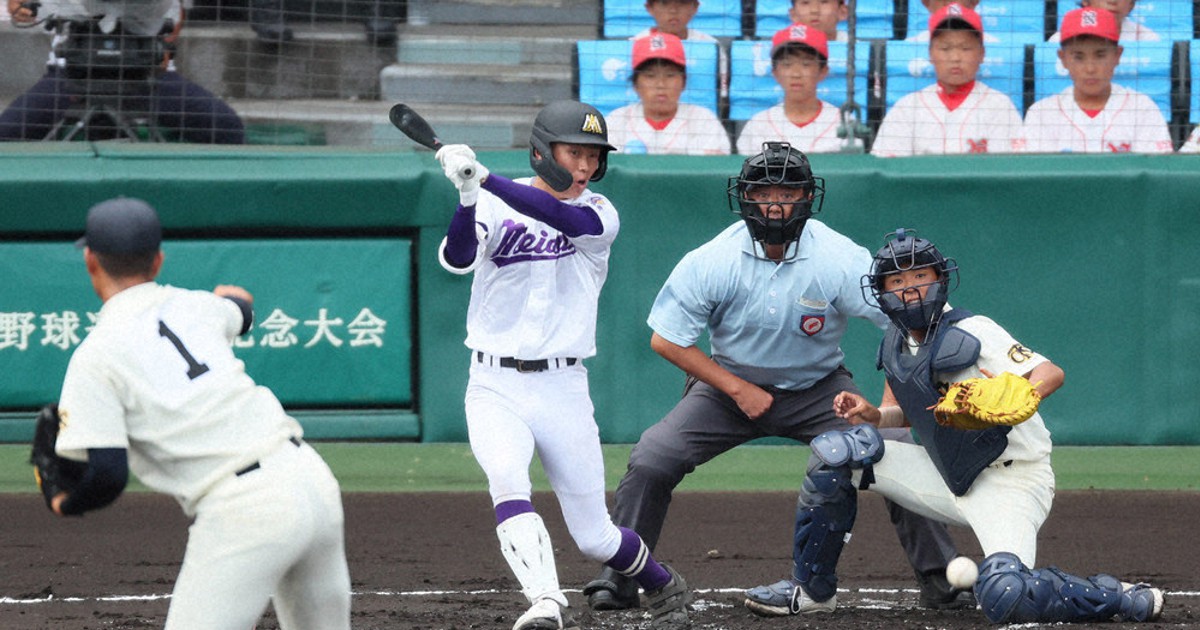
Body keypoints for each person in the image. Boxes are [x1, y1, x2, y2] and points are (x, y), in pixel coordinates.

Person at [584, 141, 972, 616]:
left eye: (787, 193)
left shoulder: (837, 257)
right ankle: (622, 575)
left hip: (821, 390)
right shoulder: (712, 259)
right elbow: (666, 340)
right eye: (764, 192)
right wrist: (735, 388)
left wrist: (889, 409)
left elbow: (903, 323)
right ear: (743, 198)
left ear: (808, 198)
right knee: (652, 457)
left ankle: (939, 576)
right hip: (727, 389)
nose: (775, 203)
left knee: (892, 445)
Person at [745, 227, 1166, 623]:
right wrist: (875, 416)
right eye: (896, 281)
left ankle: (1122, 597)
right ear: (882, 292)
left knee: (1006, 593)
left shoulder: (971, 330)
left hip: (1010, 482)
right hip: (944, 475)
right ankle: (814, 593)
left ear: (940, 280)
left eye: (919, 276)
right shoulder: (896, 341)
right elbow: (907, 415)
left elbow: (1050, 373)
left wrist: (1023, 396)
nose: (909, 287)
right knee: (834, 454)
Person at [432, 99, 691, 630]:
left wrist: (486, 177)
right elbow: (458, 259)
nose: (586, 166)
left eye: (594, 155)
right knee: (507, 480)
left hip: (562, 386)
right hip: (492, 383)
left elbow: (557, 215)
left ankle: (663, 582)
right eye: (575, 152)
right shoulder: (488, 203)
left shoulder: (599, 213)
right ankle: (545, 602)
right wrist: (466, 196)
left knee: (595, 534)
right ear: (543, 150)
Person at [50, 197, 350, 629]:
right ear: (158, 260)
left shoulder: (95, 355)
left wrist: (65, 502)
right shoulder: (197, 307)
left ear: (91, 261)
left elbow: (107, 475)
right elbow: (242, 308)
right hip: (311, 477)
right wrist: (232, 300)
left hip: (246, 511)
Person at [0, 0, 245, 143]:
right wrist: (20, 8)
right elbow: (19, 7)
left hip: (147, 76)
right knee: (7, 135)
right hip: (72, 76)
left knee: (225, 128)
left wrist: (165, 49)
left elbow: (175, 13)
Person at [872, 3, 1024, 156]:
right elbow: (888, 167)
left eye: (965, 49)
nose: (955, 58)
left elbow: (1011, 171)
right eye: (945, 49)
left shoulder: (1000, 106)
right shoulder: (907, 107)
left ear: (982, 54)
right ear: (930, 54)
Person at [1024, 7, 1173, 153]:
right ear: (1063, 59)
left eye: (1100, 55)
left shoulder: (1142, 109)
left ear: (1117, 56)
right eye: (1078, 57)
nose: (1090, 68)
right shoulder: (1042, 113)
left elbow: (1157, 173)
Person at [607, 32, 731, 155]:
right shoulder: (616, 121)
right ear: (635, 84)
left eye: (670, 75)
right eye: (650, 76)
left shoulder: (703, 120)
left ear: (683, 82)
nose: (661, 84)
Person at [735, 23, 847, 155]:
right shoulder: (758, 125)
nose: (796, 74)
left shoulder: (844, 123)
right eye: (787, 64)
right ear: (775, 73)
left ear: (823, 71)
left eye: (806, 64)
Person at [633, 0, 729, 98]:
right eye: (664, 3)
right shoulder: (634, 44)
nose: (673, 10)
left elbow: (723, 93)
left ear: (695, 7)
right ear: (649, 8)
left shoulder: (710, 46)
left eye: (682, 2)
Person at [1049, 0, 1160, 42]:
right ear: (1085, 1)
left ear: (1131, 5)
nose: (1113, 1)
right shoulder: (1059, 40)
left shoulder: (1148, 39)